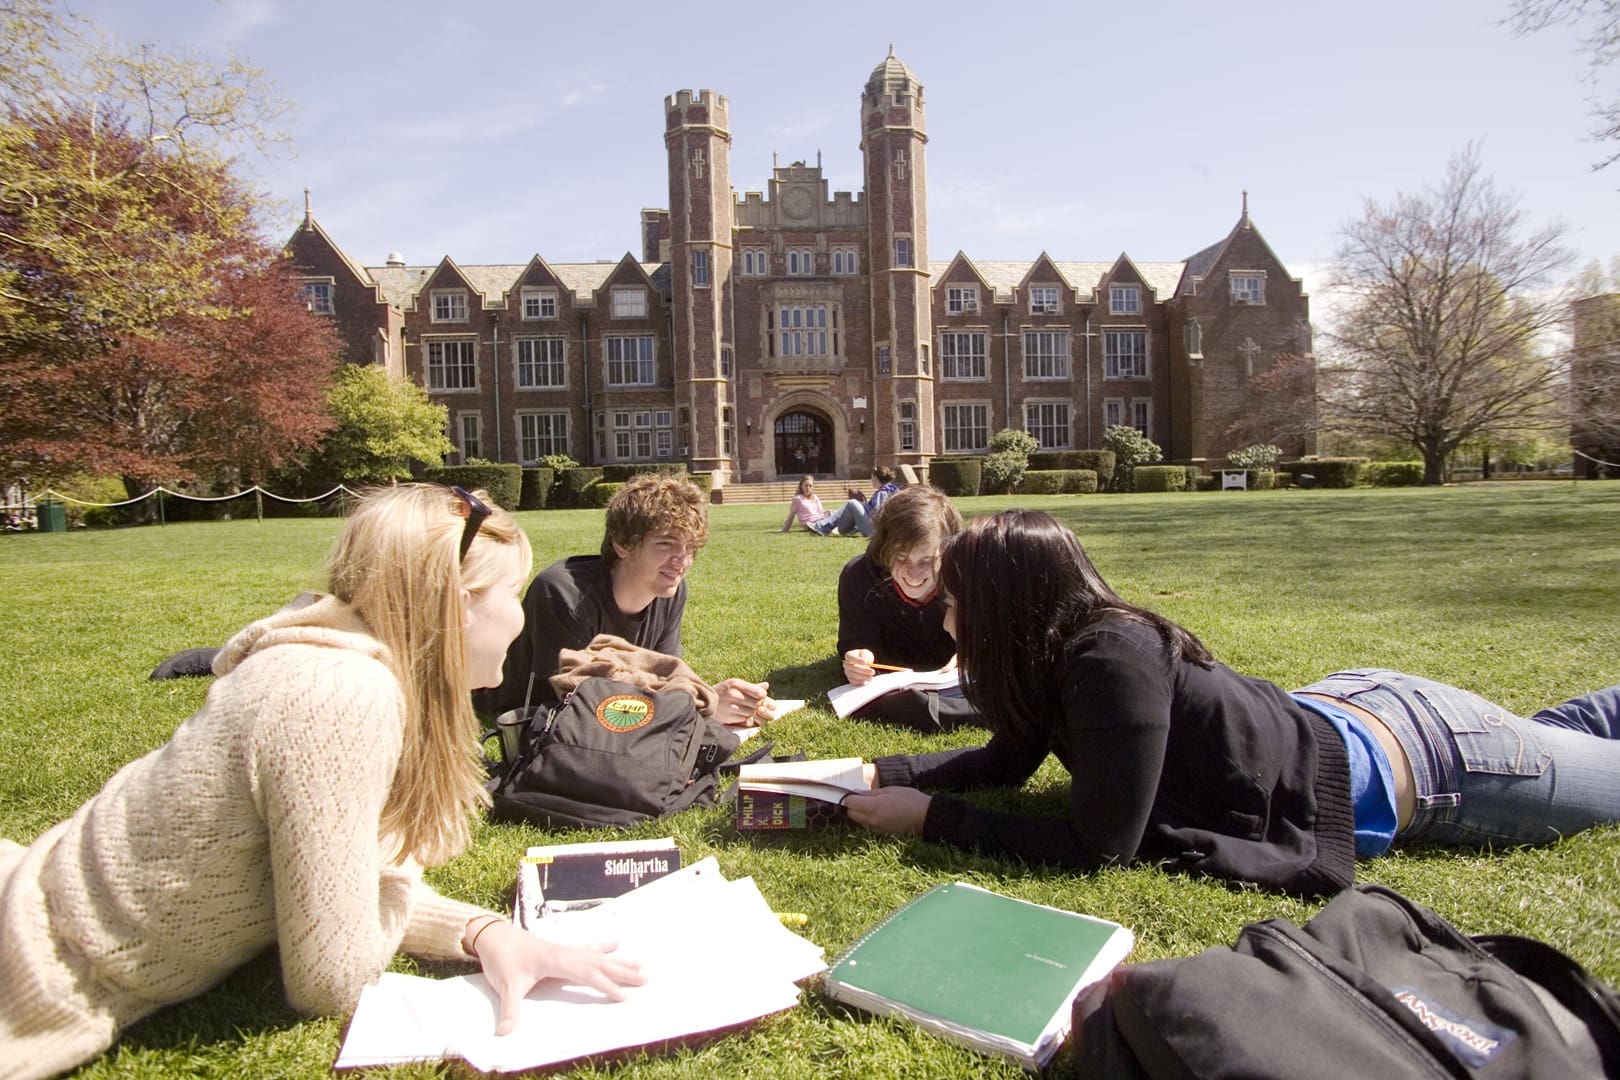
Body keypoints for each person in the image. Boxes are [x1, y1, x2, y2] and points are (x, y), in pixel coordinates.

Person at [0, 485, 645, 1080]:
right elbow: (330, 977)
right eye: (512, 593)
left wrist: (483, 931)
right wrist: (399, 871)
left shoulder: (349, 672)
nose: (520, 618)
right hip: (34, 967)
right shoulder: (338, 697)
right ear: (455, 601)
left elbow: (328, 882)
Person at [843, 509, 1620, 897]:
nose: (944, 617)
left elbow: (1100, 844)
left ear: (1008, 606)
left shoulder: (1108, 655)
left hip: (1420, 754)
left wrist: (933, 817)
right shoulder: (1059, 659)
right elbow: (1001, 762)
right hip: (1345, 706)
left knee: (1590, 766)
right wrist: (885, 772)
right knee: (1557, 736)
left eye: (956, 600)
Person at [481, 472, 774, 726]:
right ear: (622, 543)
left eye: (690, 547)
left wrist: (716, 700)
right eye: (666, 544)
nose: (682, 561)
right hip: (510, 703)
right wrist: (702, 703)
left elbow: (665, 675)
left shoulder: (670, 591)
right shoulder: (564, 593)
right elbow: (574, 700)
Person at [836, 485, 982, 732]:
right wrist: (859, 657)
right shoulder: (858, 577)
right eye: (901, 558)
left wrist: (974, 651)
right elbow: (855, 640)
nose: (914, 575)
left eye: (927, 561)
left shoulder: (969, 575)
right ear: (884, 550)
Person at [780, 468, 899, 538]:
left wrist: (863, 507)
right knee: (843, 525)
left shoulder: (883, 492)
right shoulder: (889, 490)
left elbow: (878, 514)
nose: (871, 480)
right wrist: (864, 506)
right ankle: (842, 528)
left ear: (876, 478)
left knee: (852, 502)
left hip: (874, 530)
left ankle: (821, 527)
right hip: (871, 528)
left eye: (872, 478)